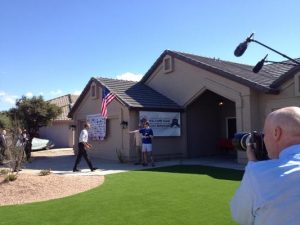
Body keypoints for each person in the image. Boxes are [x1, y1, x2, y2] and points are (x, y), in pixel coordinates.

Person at [230, 106, 300, 225]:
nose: (264, 140)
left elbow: (240, 216)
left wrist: (253, 166)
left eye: (264, 134)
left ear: (276, 133)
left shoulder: (258, 174)